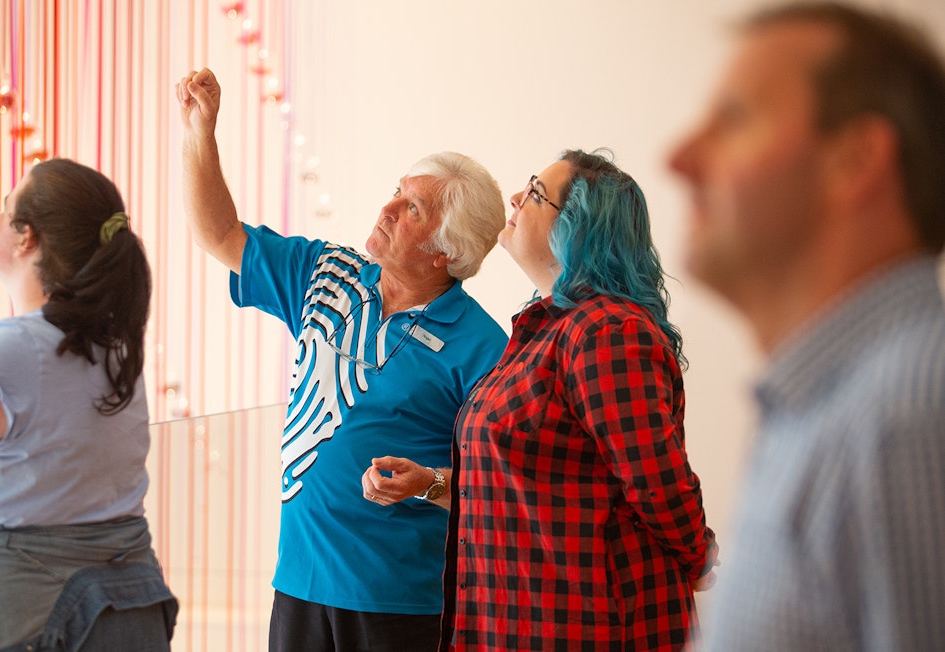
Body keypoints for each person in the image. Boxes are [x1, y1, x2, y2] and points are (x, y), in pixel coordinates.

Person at [175, 68, 508, 652]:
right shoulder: (326, 271)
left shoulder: (483, 349)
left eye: (412, 208)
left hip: (399, 605)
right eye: (397, 190)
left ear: (443, 252)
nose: (386, 207)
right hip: (298, 583)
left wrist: (428, 484)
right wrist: (201, 132)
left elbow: (501, 488)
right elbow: (218, 233)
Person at [667, 3, 945, 650]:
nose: (677, 157)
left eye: (731, 119)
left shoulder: (906, 417)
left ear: (855, 159)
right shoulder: (828, 408)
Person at [364, 149, 718, 651]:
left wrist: (699, 555)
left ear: (576, 229)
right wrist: (431, 483)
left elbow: (658, 482)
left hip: (584, 628)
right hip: (518, 623)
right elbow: (531, 481)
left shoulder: (607, 331)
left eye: (534, 193)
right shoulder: (542, 333)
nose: (515, 198)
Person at [0, 158, 177, 651]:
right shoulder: (114, 347)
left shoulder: (20, 348)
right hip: (117, 610)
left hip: (27, 620)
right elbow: (54, 468)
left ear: (25, 238)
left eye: (3, 207)